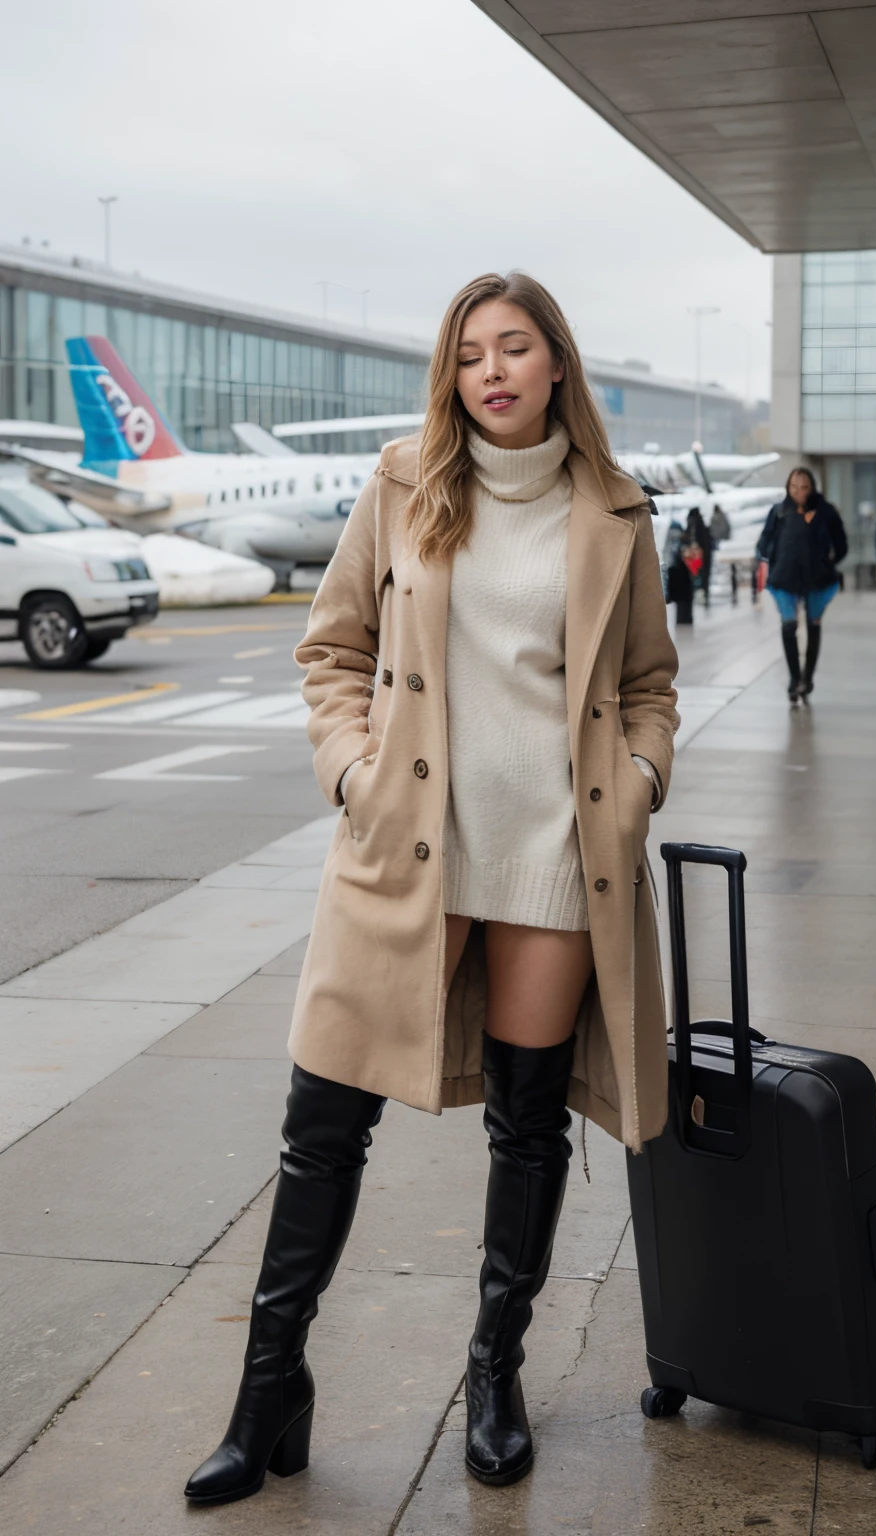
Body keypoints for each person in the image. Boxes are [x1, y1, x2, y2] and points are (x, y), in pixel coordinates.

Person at [184, 272, 680, 1506]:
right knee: (323, 1126)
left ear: (558, 363)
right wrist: (353, 772)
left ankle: (494, 1379)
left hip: (559, 853)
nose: (493, 372)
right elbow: (332, 647)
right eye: (471, 355)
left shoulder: (613, 511)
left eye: (515, 349)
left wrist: (639, 775)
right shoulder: (406, 483)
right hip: (410, 845)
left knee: (525, 1126)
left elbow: (651, 682)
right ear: (452, 376)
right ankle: (268, 1395)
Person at [756, 467, 847, 703]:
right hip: (784, 578)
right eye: (794, 487)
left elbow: (841, 543)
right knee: (789, 626)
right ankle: (795, 679)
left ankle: (807, 678)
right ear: (788, 487)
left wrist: (830, 559)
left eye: (804, 487)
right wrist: (772, 555)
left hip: (818, 579)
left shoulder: (825, 512)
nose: (798, 492)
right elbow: (764, 541)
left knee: (813, 626)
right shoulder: (778, 512)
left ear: (812, 488)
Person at [665, 517, 694, 625]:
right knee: (685, 600)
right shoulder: (683, 541)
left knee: (679, 601)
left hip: (673, 572)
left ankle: (681, 620)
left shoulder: (668, 540)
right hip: (682, 574)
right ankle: (686, 619)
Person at [686, 506, 713, 607]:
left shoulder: (692, 524)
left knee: (695, 577)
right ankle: (704, 595)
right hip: (704, 556)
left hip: (696, 557)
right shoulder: (701, 525)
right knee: (703, 577)